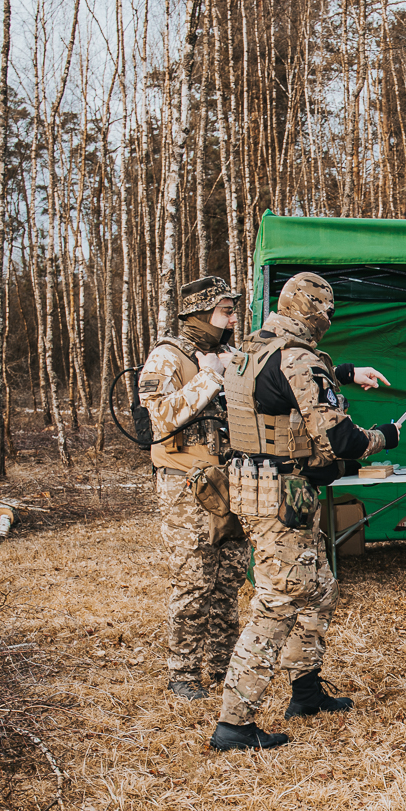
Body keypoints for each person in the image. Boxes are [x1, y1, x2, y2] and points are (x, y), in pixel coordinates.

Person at [211, 272, 399, 750]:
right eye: (328, 313)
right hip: (280, 494)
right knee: (278, 602)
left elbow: (277, 390)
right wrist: (384, 436)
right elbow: (343, 441)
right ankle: (234, 723)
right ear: (315, 312)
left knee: (317, 591)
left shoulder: (253, 349)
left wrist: (343, 373)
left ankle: (307, 692)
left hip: (263, 489)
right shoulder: (297, 357)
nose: (330, 322)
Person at [139, 276, 250, 701]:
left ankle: (223, 667)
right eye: (225, 310)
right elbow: (159, 420)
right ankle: (183, 674)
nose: (233, 318)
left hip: (231, 483)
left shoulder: (230, 355)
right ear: (200, 314)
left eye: (233, 309)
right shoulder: (166, 358)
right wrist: (208, 378)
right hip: (185, 487)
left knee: (228, 580)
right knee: (193, 581)